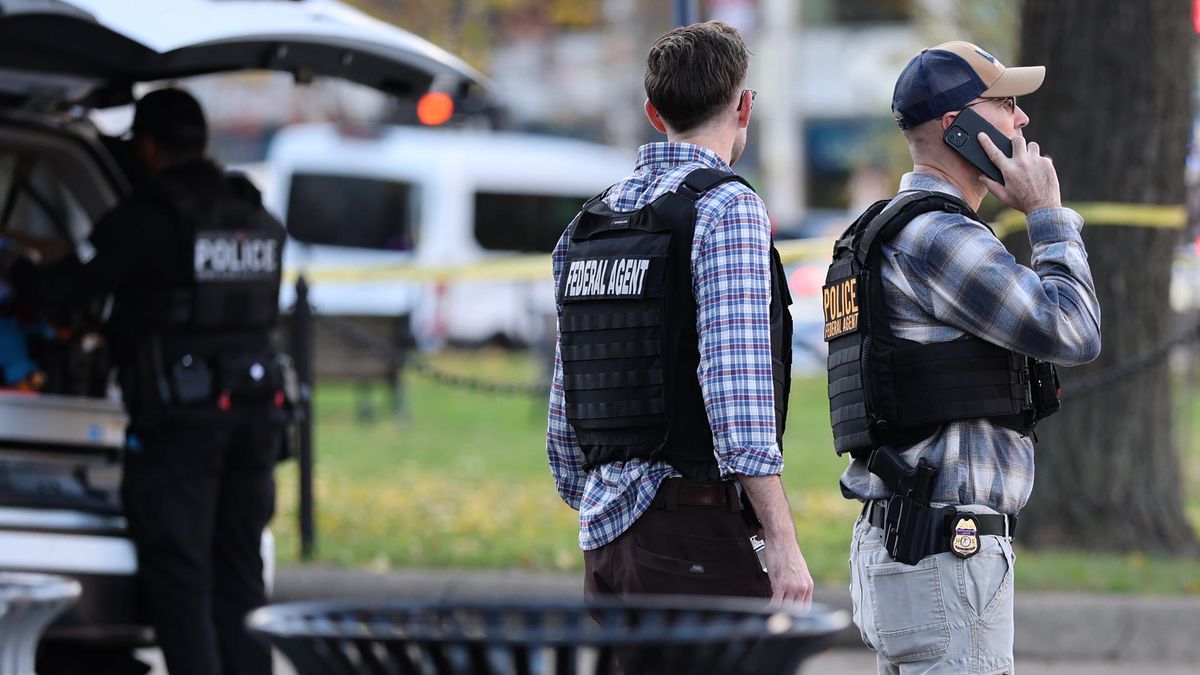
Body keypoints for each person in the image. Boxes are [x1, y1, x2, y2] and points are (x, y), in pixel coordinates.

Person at [827, 41, 1102, 673]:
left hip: (904, 544)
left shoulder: (880, 230)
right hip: (949, 556)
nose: (1022, 119)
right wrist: (1047, 215)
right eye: (1005, 104)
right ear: (959, 127)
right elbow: (1074, 329)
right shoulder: (941, 237)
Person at [8, 88, 287, 675]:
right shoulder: (253, 216)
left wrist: (17, 269)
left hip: (181, 427)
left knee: (182, 581)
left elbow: (61, 293)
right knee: (239, 578)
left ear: (149, 147)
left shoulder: (146, 218)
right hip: (258, 419)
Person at [546, 20, 813, 604]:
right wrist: (782, 541)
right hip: (694, 532)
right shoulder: (727, 207)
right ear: (744, 107)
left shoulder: (589, 224)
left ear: (653, 112)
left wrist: (607, 503)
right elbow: (737, 390)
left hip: (606, 541)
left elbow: (566, 413)